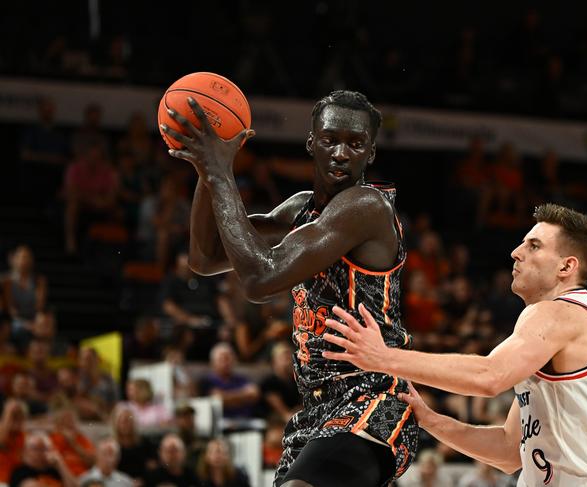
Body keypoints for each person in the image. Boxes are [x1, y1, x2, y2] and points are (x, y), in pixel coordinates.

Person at [161, 89, 418, 486]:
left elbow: (259, 279)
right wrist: (204, 169)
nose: (341, 153)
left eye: (355, 144)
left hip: (374, 402)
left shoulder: (366, 207)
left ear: (370, 154)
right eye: (330, 140)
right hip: (316, 413)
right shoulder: (300, 209)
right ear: (311, 143)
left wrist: (220, 173)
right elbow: (206, 256)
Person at [323, 203, 587, 486]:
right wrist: (431, 420)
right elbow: (508, 451)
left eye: (534, 245)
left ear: (566, 267)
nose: (516, 252)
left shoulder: (559, 312)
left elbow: (489, 376)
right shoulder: (563, 330)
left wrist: (383, 357)